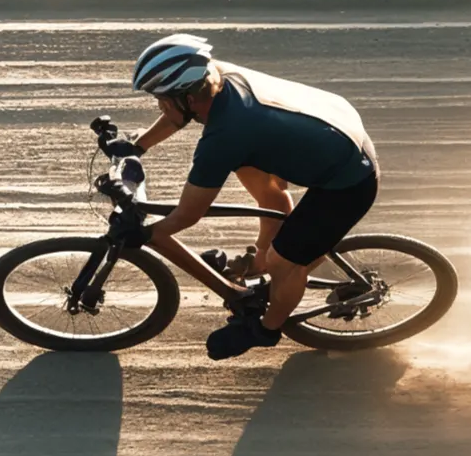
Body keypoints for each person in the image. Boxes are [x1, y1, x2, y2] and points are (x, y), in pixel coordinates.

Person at [126, 33, 379, 360]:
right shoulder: (216, 76)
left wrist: (150, 233)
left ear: (188, 96)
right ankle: (263, 260)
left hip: (349, 180)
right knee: (260, 184)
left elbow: (188, 214)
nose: (158, 105)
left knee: (283, 262)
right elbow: (178, 114)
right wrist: (138, 146)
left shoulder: (224, 137)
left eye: (161, 98)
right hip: (331, 130)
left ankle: (265, 330)